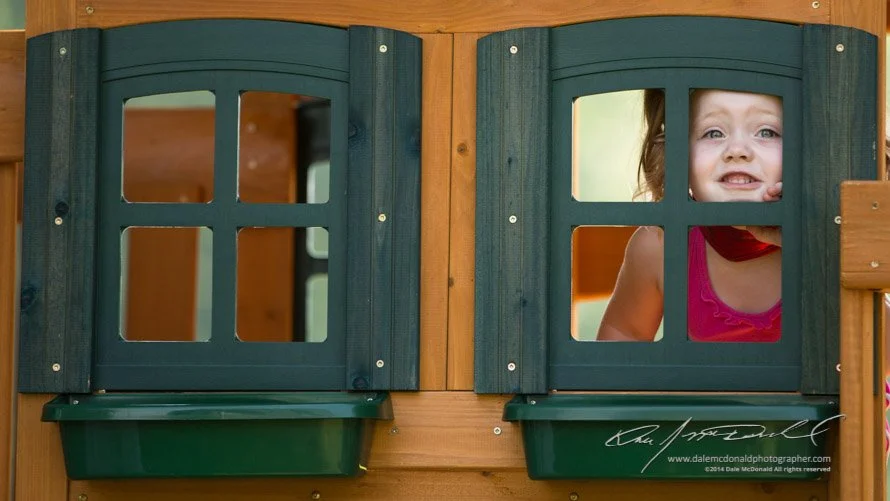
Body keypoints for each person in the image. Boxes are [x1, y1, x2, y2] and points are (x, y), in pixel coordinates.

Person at [596, 89, 784, 342]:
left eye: (767, 132)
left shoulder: (828, 237)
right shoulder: (660, 246)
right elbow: (625, 335)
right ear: (677, 153)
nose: (737, 150)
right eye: (713, 133)